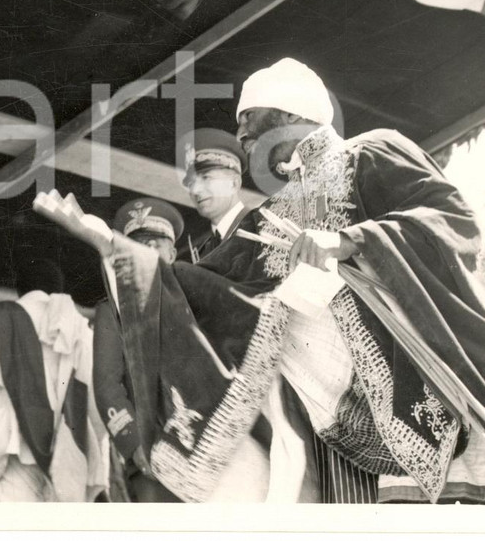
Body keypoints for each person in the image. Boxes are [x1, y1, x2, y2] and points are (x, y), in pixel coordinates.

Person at [41, 57, 485, 504]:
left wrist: (348, 241)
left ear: (291, 113)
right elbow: (202, 286)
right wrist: (113, 245)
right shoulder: (267, 217)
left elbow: (453, 222)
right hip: (339, 433)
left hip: (427, 395)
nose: (240, 135)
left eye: (248, 117)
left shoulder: (371, 151)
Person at [0, 259, 108, 502]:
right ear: (58, 289)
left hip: (9, 445)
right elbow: (94, 394)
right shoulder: (79, 325)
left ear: (20, 289)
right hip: (67, 446)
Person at [92, 198, 184, 502]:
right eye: (138, 245)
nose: (148, 252)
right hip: (153, 457)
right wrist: (134, 444)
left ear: (172, 253)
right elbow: (107, 386)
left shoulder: (196, 300)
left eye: (156, 244)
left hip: (210, 452)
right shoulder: (113, 311)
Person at [181, 128, 249, 260]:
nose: (195, 190)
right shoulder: (203, 251)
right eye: (191, 184)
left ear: (234, 183)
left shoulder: (261, 231)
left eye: (206, 178)